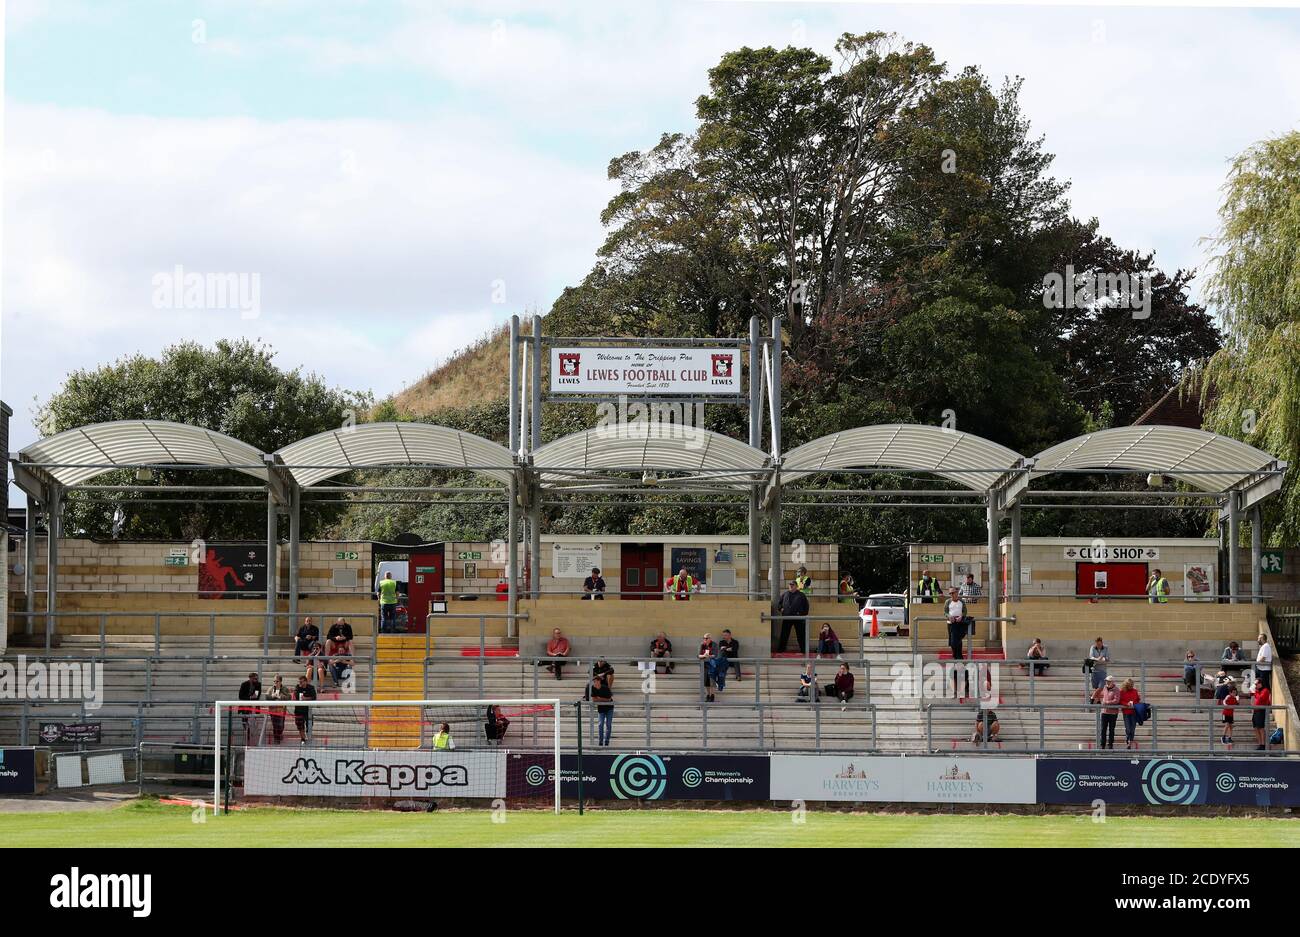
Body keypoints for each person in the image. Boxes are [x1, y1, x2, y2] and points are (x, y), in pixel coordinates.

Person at [776, 579, 810, 654]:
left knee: (801, 635)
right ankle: (781, 649)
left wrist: (802, 614)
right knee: (784, 634)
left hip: (798, 618)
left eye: (792, 585)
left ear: (796, 586)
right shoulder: (785, 594)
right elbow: (779, 604)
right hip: (787, 617)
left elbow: (806, 606)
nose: (791, 586)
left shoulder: (801, 595)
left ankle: (804, 650)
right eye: (790, 585)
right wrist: (781, 609)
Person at [589, 671, 614, 746]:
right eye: (594, 682)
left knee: (608, 725)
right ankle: (600, 741)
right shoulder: (593, 688)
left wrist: (599, 698)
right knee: (600, 724)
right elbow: (593, 699)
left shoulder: (605, 688)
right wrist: (602, 699)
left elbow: (609, 699)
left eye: (596, 681)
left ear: (599, 681)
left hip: (609, 708)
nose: (595, 683)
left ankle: (606, 741)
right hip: (601, 708)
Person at [265, 675, 291, 744]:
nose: (275, 683)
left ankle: (279, 734)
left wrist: (281, 696)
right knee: (275, 725)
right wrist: (272, 696)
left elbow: (289, 697)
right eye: (274, 681)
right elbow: (266, 697)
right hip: (273, 710)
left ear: (280, 681)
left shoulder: (285, 689)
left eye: (277, 681)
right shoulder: (270, 688)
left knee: (281, 725)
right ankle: (276, 739)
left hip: (281, 710)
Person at [238, 672, 262, 745]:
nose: (256, 680)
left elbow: (257, 696)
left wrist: (254, 697)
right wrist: (250, 697)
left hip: (254, 707)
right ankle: (247, 739)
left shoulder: (258, 684)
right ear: (250, 678)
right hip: (245, 707)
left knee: (254, 724)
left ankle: (254, 741)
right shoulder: (244, 684)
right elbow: (240, 696)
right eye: (255, 679)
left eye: (257, 679)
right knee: (245, 724)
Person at [699, 633, 724, 702]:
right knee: (706, 681)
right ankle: (708, 695)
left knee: (712, 681)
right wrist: (703, 655)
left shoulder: (714, 644)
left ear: (710, 638)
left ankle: (712, 695)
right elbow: (698, 655)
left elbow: (715, 655)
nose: (705, 640)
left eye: (706, 638)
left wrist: (709, 656)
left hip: (712, 665)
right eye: (704, 638)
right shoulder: (702, 645)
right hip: (705, 665)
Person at [1098, 675, 1121, 749]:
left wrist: (1107, 702)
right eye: (1106, 681)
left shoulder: (1116, 689)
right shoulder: (1104, 688)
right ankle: (1102, 744)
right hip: (1104, 711)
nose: (1107, 682)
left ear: (1112, 682)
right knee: (1103, 729)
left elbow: (1116, 700)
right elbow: (1102, 696)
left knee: (1111, 729)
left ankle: (1110, 744)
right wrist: (1100, 701)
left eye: (1109, 681)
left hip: (1113, 713)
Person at [1119, 678, 1142, 749]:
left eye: (1132, 685)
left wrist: (1133, 703)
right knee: (1128, 728)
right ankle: (1128, 740)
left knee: (1132, 728)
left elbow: (1138, 700)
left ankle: (1130, 741)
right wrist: (1126, 704)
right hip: (1126, 712)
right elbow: (1120, 701)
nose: (1131, 686)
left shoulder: (1135, 691)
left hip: (1134, 712)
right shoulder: (1122, 691)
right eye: (1130, 685)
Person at [292, 675, 316, 743]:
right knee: (300, 725)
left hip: (308, 710)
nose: (300, 683)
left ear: (306, 681)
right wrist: (298, 689)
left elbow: (314, 697)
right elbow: (295, 697)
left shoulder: (311, 687)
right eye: (299, 682)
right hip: (298, 710)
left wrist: (306, 699)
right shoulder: (297, 687)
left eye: (302, 682)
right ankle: (303, 739)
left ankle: (309, 737)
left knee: (309, 725)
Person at [1252, 678, 1272, 750]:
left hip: (1261, 711)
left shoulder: (1265, 690)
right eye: (1255, 684)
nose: (1255, 685)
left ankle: (1263, 744)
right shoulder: (1258, 691)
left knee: (1261, 728)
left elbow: (1261, 699)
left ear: (1261, 684)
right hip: (1256, 710)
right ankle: (1260, 743)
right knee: (1255, 727)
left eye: (1256, 684)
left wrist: (1256, 692)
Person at [1221, 681, 1239, 746]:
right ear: (1230, 692)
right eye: (1233, 693)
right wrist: (1226, 705)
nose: (1234, 694)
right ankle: (1223, 737)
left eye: (1235, 693)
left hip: (1231, 714)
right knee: (1227, 725)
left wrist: (1237, 700)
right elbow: (1224, 701)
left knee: (1231, 726)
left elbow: (1237, 704)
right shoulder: (1228, 696)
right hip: (1225, 713)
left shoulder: (1235, 698)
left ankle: (1229, 737)